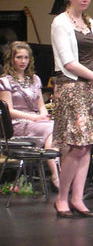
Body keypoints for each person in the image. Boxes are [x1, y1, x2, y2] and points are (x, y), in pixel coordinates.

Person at [51, 0, 93, 218]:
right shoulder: (60, 23)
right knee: (76, 146)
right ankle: (61, 198)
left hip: (90, 87)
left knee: (87, 146)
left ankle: (77, 198)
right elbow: (68, 62)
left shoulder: (89, 21)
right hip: (72, 86)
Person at [0, 41, 60, 190]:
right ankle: (56, 176)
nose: (23, 61)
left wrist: (43, 115)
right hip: (17, 124)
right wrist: (35, 118)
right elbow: (8, 111)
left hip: (38, 122)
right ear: (11, 59)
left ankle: (59, 175)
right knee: (52, 129)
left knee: (57, 127)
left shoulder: (35, 79)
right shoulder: (5, 81)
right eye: (19, 57)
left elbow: (41, 106)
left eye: (26, 57)